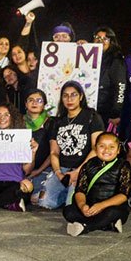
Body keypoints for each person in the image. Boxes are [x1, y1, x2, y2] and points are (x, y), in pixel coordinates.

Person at [39, 81, 105, 210]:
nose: (69, 99)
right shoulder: (57, 122)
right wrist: (58, 174)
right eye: (65, 95)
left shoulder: (92, 116)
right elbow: (54, 152)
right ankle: (66, 193)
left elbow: (96, 149)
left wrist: (78, 171)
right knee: (44, 202)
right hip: (62, 169)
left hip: (84, 167)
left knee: (72, 205)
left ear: (81, 97)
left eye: (73, 95)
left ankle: (74, 195)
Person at [63, 132, 131, 236]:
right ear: (95, 148)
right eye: (102, 146)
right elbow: (80, 190)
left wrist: (101, 206)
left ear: (118, 150)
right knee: (68, 211)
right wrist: (83, 206)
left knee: (112, 213)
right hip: (91, 206)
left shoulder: (123, 165)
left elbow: (124, 195)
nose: (106, 150)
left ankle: (86, 227)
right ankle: (107, 225)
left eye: (112, 147)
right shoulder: (88, 165)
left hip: (111, 207)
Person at [93, 27, 127, 131]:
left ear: (111, 42)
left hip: (106, 111)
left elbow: (120, 87)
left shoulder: (116, 60)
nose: (100, 41)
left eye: (105, 39)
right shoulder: (91, 57)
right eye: (97, 37)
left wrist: (115, 113)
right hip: (92, 109)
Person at [23, 89, 53, 204]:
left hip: (44, 169)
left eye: (39, 100)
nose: (34, 103)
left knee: (35, 198)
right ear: (26, 104)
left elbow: (53, 152)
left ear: (44, 104)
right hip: (24, 169)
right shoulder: (19, 121)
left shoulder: (51, 123)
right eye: (31, 100)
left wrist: (38, 171)